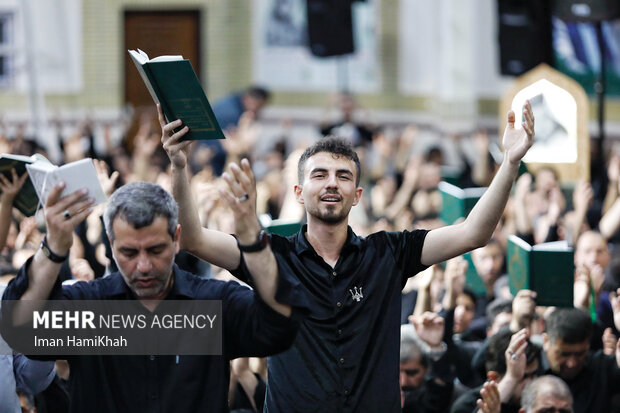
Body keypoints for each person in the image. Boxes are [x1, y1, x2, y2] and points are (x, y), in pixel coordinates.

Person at [160, 101, 535, 412]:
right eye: (319, 175)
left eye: (343, 176)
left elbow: (474, 233)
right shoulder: (270, 256)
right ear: (299, 192)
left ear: (356, 195)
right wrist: (178, 166)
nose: (331, 183)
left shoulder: (389, 252)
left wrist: (510, 163)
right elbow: (191, 239)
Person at [1, 180, 301, 413]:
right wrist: (54, 249)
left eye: (156, 250)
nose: (143, 266)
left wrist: (254, 243)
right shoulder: (89, 309)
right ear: (112, 246)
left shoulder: (212, 303)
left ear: (176, 238)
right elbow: (21, 329)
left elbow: (278, 326)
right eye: (129, 253)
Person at [542, 307, 620, 413]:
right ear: (546, 341)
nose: (572, 363)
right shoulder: (528, 367)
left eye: (580, 354)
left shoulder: (602, 367)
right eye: (564, 354)